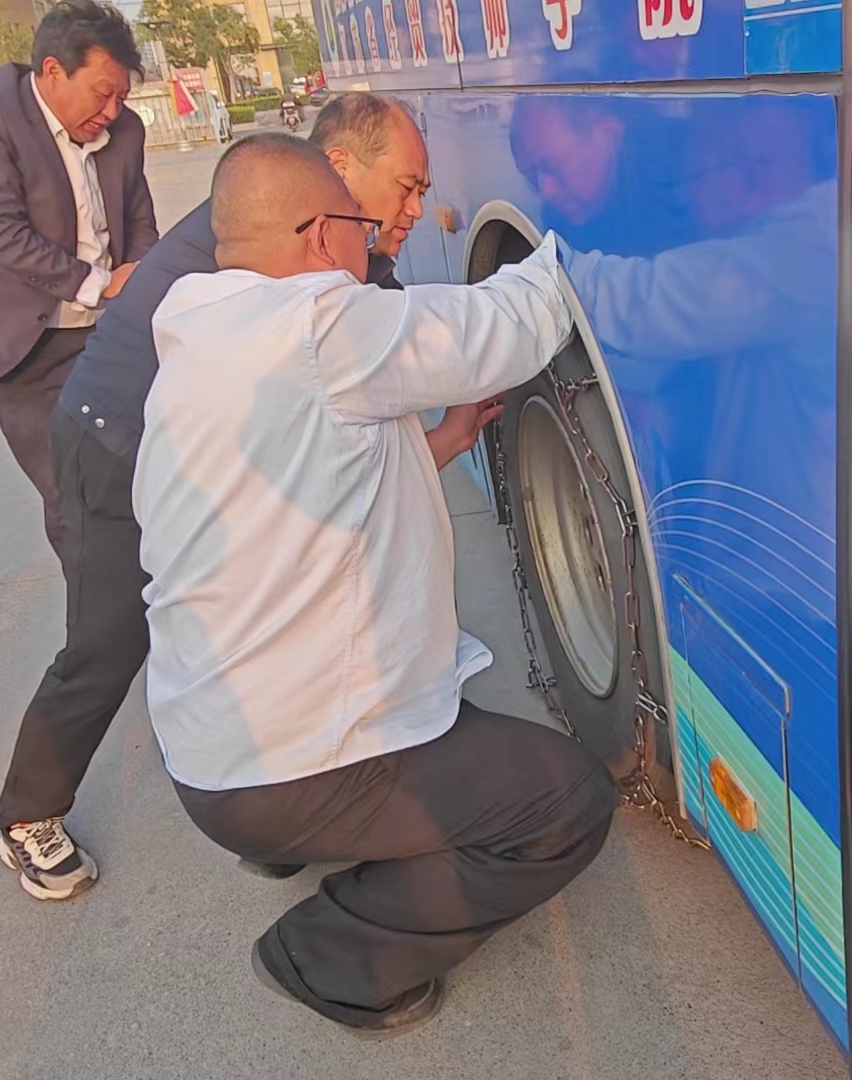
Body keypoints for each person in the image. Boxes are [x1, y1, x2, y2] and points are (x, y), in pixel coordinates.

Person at [138, 134, 614, 1036]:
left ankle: (297, 842)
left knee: (457, 733)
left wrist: (443, 441)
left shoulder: (204, 341)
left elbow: (310, 490)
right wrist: (585, 237)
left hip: (215, 745)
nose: (373, 244)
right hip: (284, 765)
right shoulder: (317, 326)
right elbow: (506, 323)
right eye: (361, 227)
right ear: (321, 235)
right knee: (563, 802)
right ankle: (328, 956)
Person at [0, 92, 441, 901]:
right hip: (116, 443)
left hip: (210, 453)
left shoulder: (342, 241)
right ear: (337, 172)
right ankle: (28, 813)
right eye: (405, 187)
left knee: (265, 615)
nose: (414, 209)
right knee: (109, 640)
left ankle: (282, 806)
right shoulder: (269, 228)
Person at [0, 0, 156, 556]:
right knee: (70, 486)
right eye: (102, 92)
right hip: (17, 338)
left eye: (122, 96)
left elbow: (138, 219)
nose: (112, 109)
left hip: (103, 327)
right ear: (52, 71)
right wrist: (100, 283)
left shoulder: (123, 129)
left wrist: (141, 286)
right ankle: (97, 605)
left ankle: (149, 585)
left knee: (140, 464)